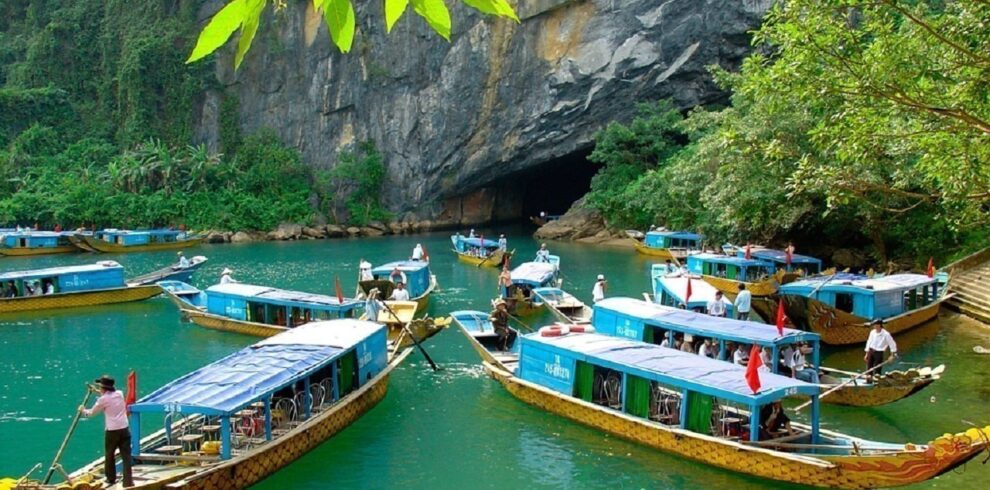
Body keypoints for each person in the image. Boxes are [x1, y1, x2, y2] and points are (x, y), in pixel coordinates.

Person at [79, 375, 134, 488]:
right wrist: (96, 391)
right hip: (124, 428)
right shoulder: (119, 394)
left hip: (112, 431)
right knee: (126, 456)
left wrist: (82, 410)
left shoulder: (102, 400)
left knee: (110, 455)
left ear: (103, 388)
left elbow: (91, 413)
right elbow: (107, 396)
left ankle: (111, 479)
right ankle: (128, 481)